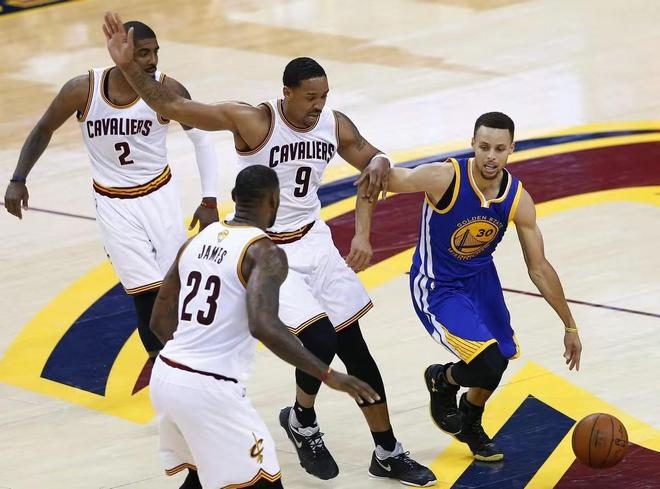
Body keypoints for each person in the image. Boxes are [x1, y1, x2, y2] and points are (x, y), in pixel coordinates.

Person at [103, 12, 436, 487]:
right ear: (287, 93)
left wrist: (378, 171)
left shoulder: (333, 124)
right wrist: (131, 70)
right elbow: (174, 106)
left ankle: (386, 450)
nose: (319, 106)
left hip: (315, 240)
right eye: (310, 98)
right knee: (320, 341)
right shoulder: (254, 120)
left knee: (356, 348)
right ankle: (303, 422)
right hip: (268, 250)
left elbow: (371, 160)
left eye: (324, 96)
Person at [149, 165, 380, 489]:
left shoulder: (196, 242)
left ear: (234, 197)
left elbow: (158, 319)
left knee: (200, 478)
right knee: (264, 481)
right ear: (274, 200)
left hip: (166, 377)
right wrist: (327, 375)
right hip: (210, 388)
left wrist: (188, 361)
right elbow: (263, 325)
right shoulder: (265, 252)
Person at [3, 21, 219, 361]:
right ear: (122, 53)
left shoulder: (167, 89)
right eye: (143, 53)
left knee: (172, 290)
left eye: (155, 52)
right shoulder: (83, 89)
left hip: (159, 197)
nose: (152, 60)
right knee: (145, 294)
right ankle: (163, 365)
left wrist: (209, 199)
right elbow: (44, 128)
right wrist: (18, 178)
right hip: (113, 204)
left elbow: (202, 139)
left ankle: (186, 359)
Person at [385, 112, 583, 461]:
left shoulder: (518, 198)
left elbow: (539, 268)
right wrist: (374, 164)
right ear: (473, 144)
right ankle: (442, 380)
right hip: (439, 286)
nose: (491, 156)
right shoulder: (445, 177)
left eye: (500, 149)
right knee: (487, 362)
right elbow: (392, 179)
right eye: (484, 147)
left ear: (511, 149)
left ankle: (470, 421)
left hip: (481, 282)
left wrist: (570, 325)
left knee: (500, 357)